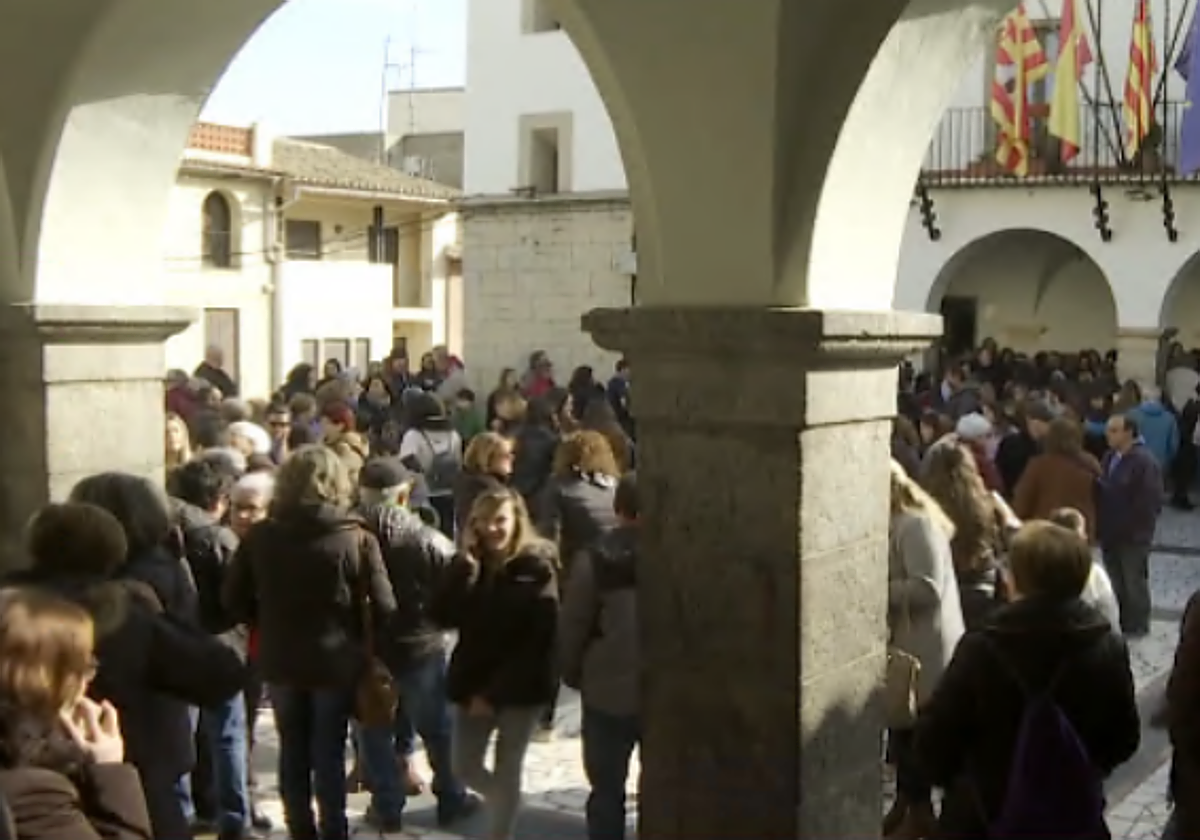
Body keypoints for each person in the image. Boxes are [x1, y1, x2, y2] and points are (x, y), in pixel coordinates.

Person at [913, 521, 1140, 840]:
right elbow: (1124, 739)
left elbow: (935, 746)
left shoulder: (982, 647)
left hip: (983, 819)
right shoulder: (1106, 645)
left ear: (1016, 578)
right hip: (1070, 821)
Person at [433, 487, 559, 840]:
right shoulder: (471, 564)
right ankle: (508, 801)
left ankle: (500, 832)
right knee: (464, 765)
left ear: (516, 521)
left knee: (508, 766)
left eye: (500, 520)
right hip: (472, 680)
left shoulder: (536, 567)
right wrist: (463, 567)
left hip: (521, 686)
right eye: (484, 521)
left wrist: (493, 693)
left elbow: (538, 641)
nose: (492, 529)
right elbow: (440, 615)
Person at [0, 588, 154, 840]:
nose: (89, 677)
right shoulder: (36, 794)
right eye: (83, 665)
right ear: (47, 679)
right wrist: (109, 769)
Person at [559, 472, 641, 840]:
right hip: (663, 690)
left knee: (607, 790)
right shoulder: (681, 554)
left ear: (619, 508)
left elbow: (574, 623)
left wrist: (573, 672)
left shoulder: (596, 558)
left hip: (608, 688)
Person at [1098, 413, 1164, 637]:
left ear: (1129, 432)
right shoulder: (1109, 457)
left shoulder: (1144, 461)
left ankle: (1138, 623)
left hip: (1132, 534)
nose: (1108, 435)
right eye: (1108, 430)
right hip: (1109, 531)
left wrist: (1136, 529)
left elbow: (1150, 501)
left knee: (1133, 579)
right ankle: (1123, 620)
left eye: (1114, 430)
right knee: (1116, 579)